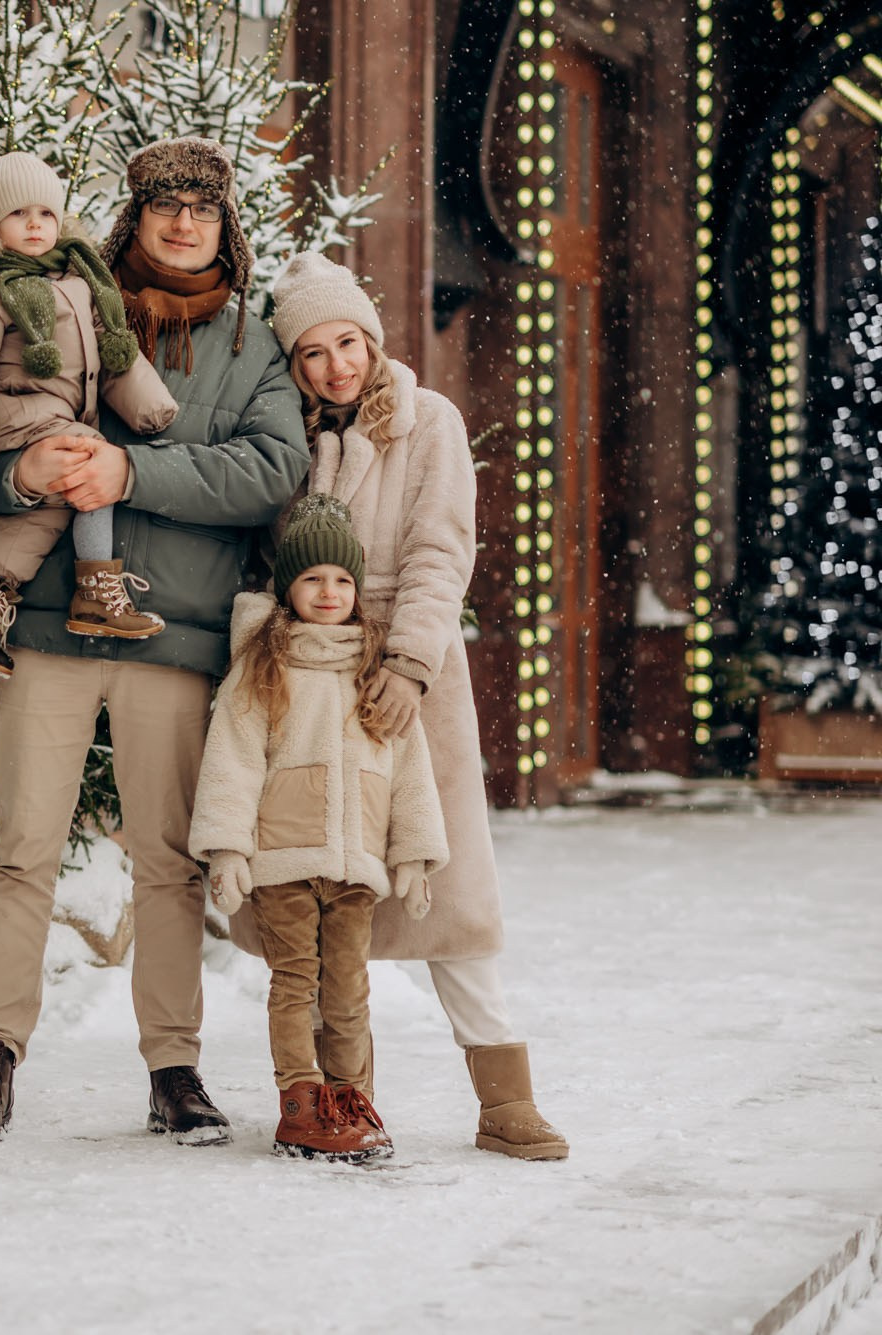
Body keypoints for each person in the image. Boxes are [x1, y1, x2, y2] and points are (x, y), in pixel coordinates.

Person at [0, 137, 309, 1146]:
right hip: (55, 627)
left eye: (200, 208)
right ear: (132, 219)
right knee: (22, 852)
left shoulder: (253, 344)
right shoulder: (57, 303)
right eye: (161, 207)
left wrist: (134, 477)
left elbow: (272, 469)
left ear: (224, 226)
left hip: (175, 638)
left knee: (168, 864)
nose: (182, 223)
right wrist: (21, 479)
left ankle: (173, 1068)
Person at [244, 251, 568, 1160]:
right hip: (308, 678)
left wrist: (412, 662)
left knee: (447, 888)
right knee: (320, 890)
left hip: (406, 677)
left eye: (345, 341)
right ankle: (345, 1098)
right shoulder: (288, 436)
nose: (333, 366)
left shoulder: (429, 422)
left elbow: (440, 550)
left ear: (371, 336)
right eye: (309, 352)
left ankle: (505, 1097)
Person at [188, 495, 448, 1162]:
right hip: (283, 860)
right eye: (311, 578)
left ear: (357, 589)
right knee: (295, 983)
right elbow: (234, 757)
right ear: (288, 589)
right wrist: (228, 848)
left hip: (357, 861)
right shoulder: (265, 664)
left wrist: (413, 855)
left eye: (341, 579)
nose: (328, 592)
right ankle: (301, 1102)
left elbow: (409, 767)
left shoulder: (375, 666)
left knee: (349, 990)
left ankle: (350, 1098)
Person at [0, 152, 180, 673]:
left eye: (46, 213)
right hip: (10, 413)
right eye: (19, 214)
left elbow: (112, 351)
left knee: (55, 495)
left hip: (55, 415)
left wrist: (149, 405)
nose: (36, 224)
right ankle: (95, 590)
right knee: (92, 462)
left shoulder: (76, 278)